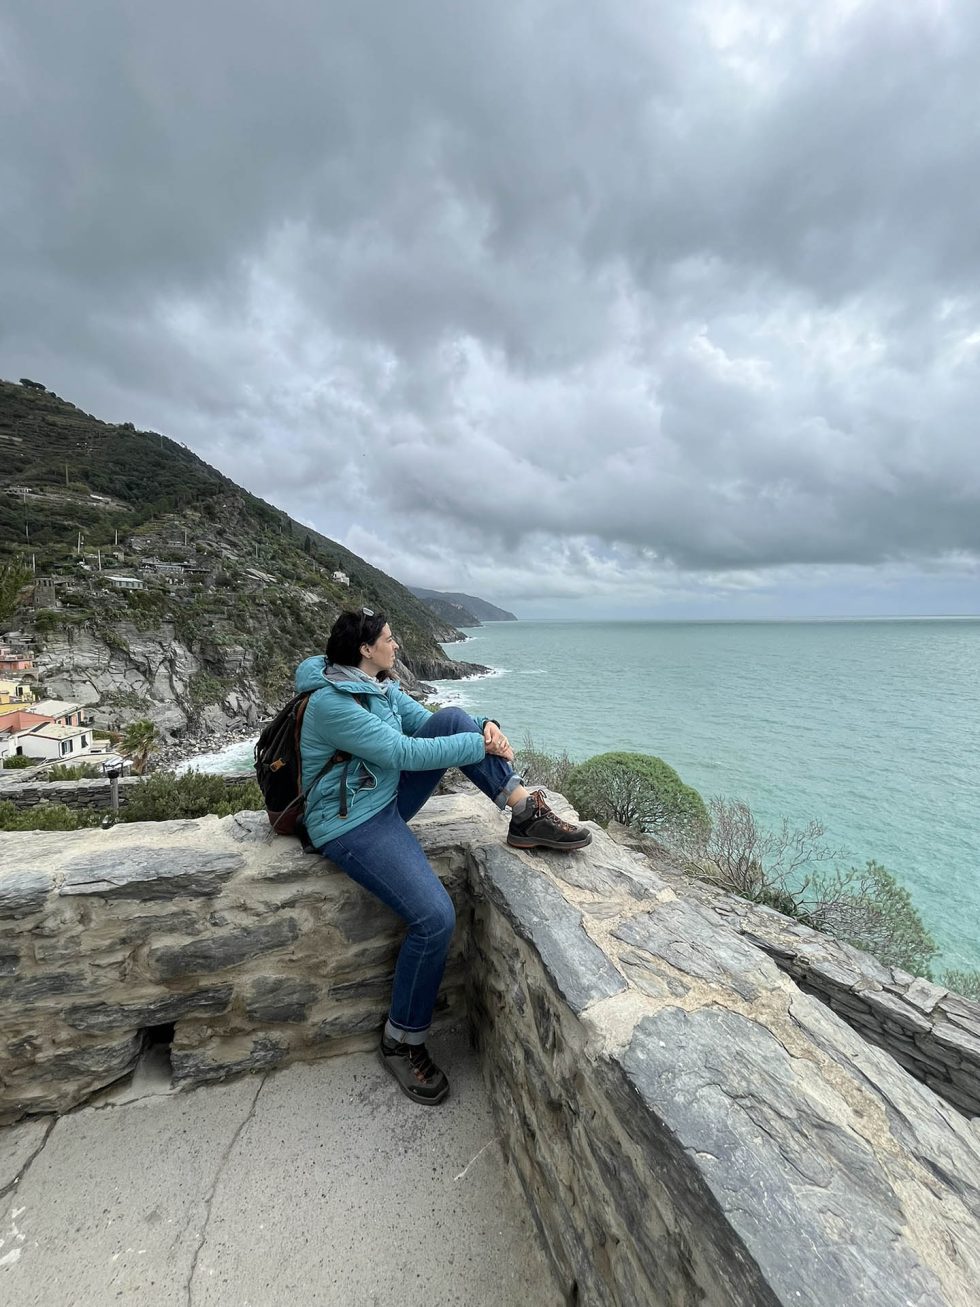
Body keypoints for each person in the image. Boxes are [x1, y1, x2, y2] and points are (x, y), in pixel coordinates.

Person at [296, 607, 591, 1106]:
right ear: (365, 649)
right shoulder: (332, 703)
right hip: (350, 823)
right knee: (434, 918)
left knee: (453, 718)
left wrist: (484, 725)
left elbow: (429, 725)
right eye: (389, 639)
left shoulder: (381, 686)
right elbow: (404, 754)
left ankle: (523, 813)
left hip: (383, 799)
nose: (396, 646)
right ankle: (400, 1040)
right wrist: (479, 743)